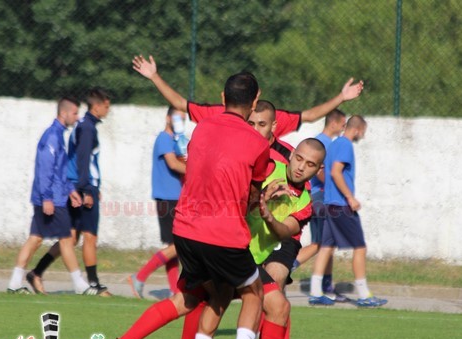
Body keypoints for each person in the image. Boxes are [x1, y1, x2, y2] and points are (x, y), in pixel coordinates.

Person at [107, 70, 270, 339]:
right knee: (254, 293)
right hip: (223, 233)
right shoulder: (258, 143)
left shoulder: (203, 127)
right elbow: (252, 196)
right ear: (254, 103)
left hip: (185, 230)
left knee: (206, 296)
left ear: (223, 99)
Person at [151, 138, 326, 339]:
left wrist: (266, 212)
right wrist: (261, 197)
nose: (301, 167)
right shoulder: (266, 168)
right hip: (229, 246)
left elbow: (283, 232)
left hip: (232, 248)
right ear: (291, 155)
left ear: (318, 169)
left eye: (310, 164)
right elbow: (233, 200)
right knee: (207, 299)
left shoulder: (304, 202)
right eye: (299, 158)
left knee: (221, 299)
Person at [131, 54, 363, 145]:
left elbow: (181, 103)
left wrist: (154, 76)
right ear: (256, 97)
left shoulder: (215, 114)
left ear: (225, 96)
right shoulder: (268, 117)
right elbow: (311, 116)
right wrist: (341, 97)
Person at [24, 88, 112, 296]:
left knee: (70, 238)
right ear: (97, 105)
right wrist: (88, 190)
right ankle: (94, 285)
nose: (108, 111)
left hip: (78, 186)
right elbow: (83, 162)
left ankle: (36, 273)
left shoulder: (83, 126)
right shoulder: (88, 128)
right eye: (107, 106)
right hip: (81, 188)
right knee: (90, 237)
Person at [6, 97, 94, 295]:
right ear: (64, 113)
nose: (77, 117)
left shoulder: (58, 135)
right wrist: (47, 198)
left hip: (55, 196)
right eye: (74, 113)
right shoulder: (52, 137)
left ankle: (14, 283)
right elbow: (45, 170)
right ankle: (80, 285)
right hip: (51, 199)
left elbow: (59, 171)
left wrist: (71, 190)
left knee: (36, 239)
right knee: (66, 239)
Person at [309, 115, 388, 307]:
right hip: (341, 205)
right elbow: (336, 172)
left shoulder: (334, 144)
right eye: (364, 131)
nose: (363, 135)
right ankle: (364, 295)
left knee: (326, 246)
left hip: (329, 204)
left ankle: (315, 291)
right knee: (360, 247)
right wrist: (350, 197)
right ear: (358, 129)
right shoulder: (345, 145)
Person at [128, 107, 187, 298]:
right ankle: (140, 276)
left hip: (175, 197)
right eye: (178, 117)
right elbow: (174, 164)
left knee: (173, 245)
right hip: (167, 198)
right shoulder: (164, 139)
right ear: (168, 117)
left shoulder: (176, 141)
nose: (181, 121)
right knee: (178, 246)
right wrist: (196, 171)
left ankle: (173, 290)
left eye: (183, 119)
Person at [293, 109, 349, 300]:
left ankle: (327, 287)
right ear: (333, 123)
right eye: (343, 124)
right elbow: (318, 172)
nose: (343, 128)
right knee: (320, 243)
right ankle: (286, 267)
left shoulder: (326, 142)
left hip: (321, 199)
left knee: (327, 243)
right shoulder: (323, 144)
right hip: (320, 198)